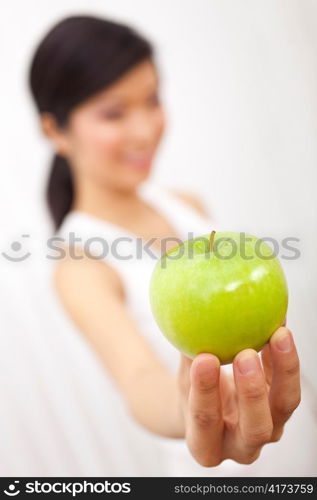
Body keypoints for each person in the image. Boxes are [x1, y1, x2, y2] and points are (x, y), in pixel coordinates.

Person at [28, 15, 306, 476]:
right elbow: (139, 381)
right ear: (56, 131)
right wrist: (191, 410)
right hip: (218, 470)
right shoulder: (79, 262)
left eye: (152, 101)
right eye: (114, 113)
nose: (144, 131)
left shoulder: (185, 204)